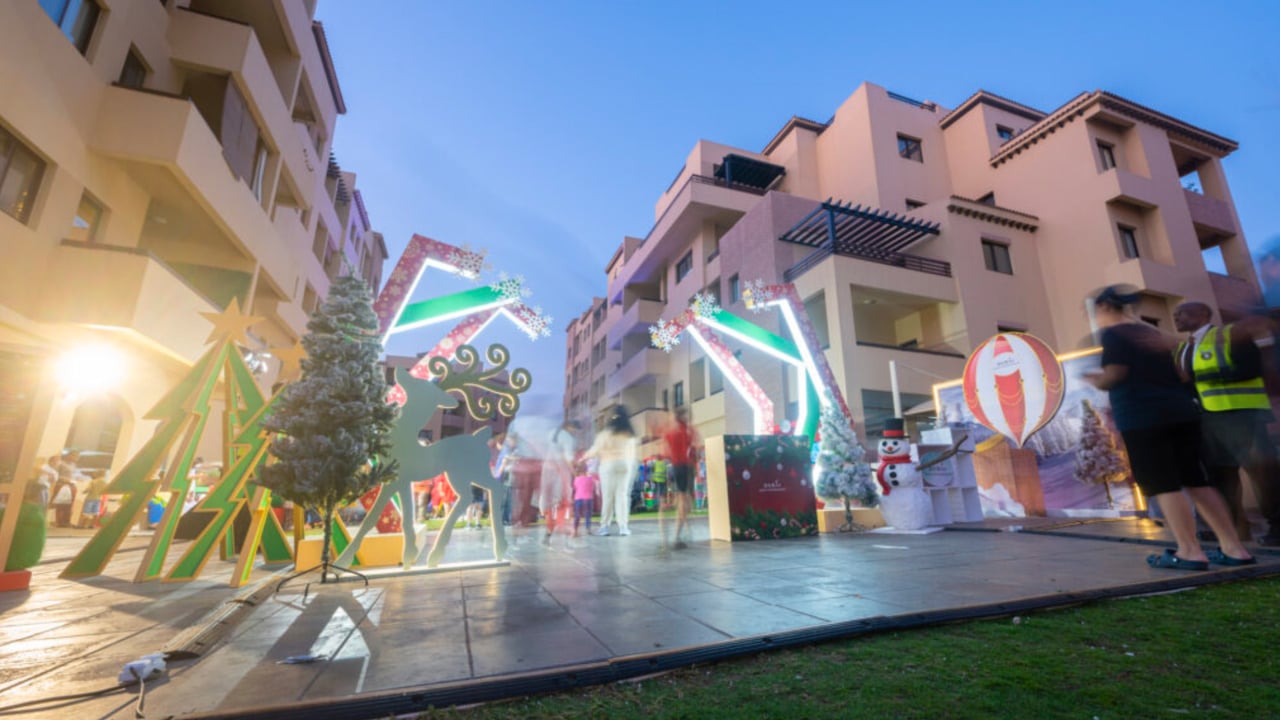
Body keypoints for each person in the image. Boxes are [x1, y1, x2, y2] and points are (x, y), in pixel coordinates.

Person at [1084, 286, 1254, 569]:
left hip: (1143, 417)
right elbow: (1183, 373)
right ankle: (1234, 548)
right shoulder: (1152, 335)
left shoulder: (1115, 335)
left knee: (1164, 485)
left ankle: (1189, 551)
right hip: (1181, 412)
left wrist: (1095, 379)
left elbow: (1115, 374)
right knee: (1196, 481)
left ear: (1104, 308)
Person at [1173, 301, 1280, 545]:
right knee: (1220, 477)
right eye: (1175, 314)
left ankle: (1277, 526)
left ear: (1203, 314)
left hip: (1242, 415)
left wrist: (1198, 377)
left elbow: (1250, 369)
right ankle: (1232, 530)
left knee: (1262, 475)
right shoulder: (1182, 348)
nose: (1177, 317)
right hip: (1207, 420)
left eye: (1182, 313)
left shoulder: (1230, 335)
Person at [586, 405, 639, 537]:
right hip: (625, 465)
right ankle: (623, 527)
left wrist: (582, 458)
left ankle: (604, 527)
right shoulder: (629, 433)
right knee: (622, 496)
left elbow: (595, 450)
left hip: (608, 465)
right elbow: (633, 453)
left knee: (608, 497)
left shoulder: (606, 433)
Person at [661, 406, 700, 550]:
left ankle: (682, 532)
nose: (689, 417)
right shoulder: (688, 430)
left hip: (675, 467)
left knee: (683, 500)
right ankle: (678, 536)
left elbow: (666, 451)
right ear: (683, 416)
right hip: (685, 467)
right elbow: (695, 449)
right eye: (687, 415)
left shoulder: (670, 431)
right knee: (685, 502)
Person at [537, 419, 578, 545]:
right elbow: (568, 458)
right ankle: (561, 529)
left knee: (549, 503)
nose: (575, 432)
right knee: (563, 501)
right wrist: (575, 472)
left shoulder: (551, 433)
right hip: (560, 470)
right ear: (570, 427)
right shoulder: (567, 438)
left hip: (547, 469)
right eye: (575, 429)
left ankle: (549, 530)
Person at [571, 459, 598, 538]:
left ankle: (575, 530)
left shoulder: (576, 479)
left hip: (578, 499)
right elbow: (592, 488)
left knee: (577, 515)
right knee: (587, 515)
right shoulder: (590, 479)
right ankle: (588, 529)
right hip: (588, 499)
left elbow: (575, 488)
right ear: (586, 470)